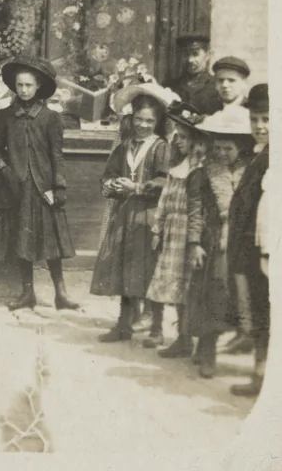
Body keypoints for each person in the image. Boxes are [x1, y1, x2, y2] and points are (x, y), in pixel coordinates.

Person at [0, 54, 78, 311]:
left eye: (29, 85)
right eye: (20, 85)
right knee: (22, 241)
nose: (24, 90)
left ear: (38, 86)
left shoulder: (51, 118)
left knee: (52, 242)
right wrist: (6, 171)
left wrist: (58, 186)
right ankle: (27, 293)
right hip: (16, 189)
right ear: (14, 87)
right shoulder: (4, 116)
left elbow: (57, 155)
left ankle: (61, 294)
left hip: (44, 188)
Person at [90, 83, 172, 342]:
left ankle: (156, 327)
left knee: (150, 268)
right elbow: (110, 173)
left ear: (157, 121)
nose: (143, 125)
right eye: (139, 119)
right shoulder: (124, 146)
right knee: (125, 265)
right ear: (132, 118)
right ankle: (124, 324)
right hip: (125, 215)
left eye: (149, 121)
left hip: (150, 216)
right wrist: (111, 185)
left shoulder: (160, 148)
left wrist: (136, 187)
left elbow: (165, 182)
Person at [185, 109, 253, 378]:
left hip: (241, 243)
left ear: (241, 148)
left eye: (229, 148)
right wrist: (193, 243)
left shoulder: (251, 172)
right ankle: (208, 350)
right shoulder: (204, 174)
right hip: (212, 245)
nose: (223, 153)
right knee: (210, 298)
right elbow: (195, 210)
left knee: (235, 299)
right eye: (219, 147)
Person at [149, 101, 206, 355]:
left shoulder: (199, 168)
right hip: (172, 231)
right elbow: (165, 199)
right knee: (174, 286)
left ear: (195, 140)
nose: (178, 141)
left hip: (189, 232)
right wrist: (157, 227)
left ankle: (187, 338)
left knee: (188, 286)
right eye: (176, 136)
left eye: (184, 137)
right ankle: (181, 338)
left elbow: (201, 206)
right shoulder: (176, 166)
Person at [229, 82, 270, 395]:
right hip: (251, 247)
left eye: (267, 119)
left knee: (267, 313)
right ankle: (260, 375)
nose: (260, 126)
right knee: (258, 309)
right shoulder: (260, 155)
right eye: (255, 119)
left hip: (266, 248)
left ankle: (264, 379)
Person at [171, 32, 221, 115]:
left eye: (195, 54)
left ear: (207, 55)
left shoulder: (217, 87)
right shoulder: (172, 86)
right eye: (186, 54)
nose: (190, 60)